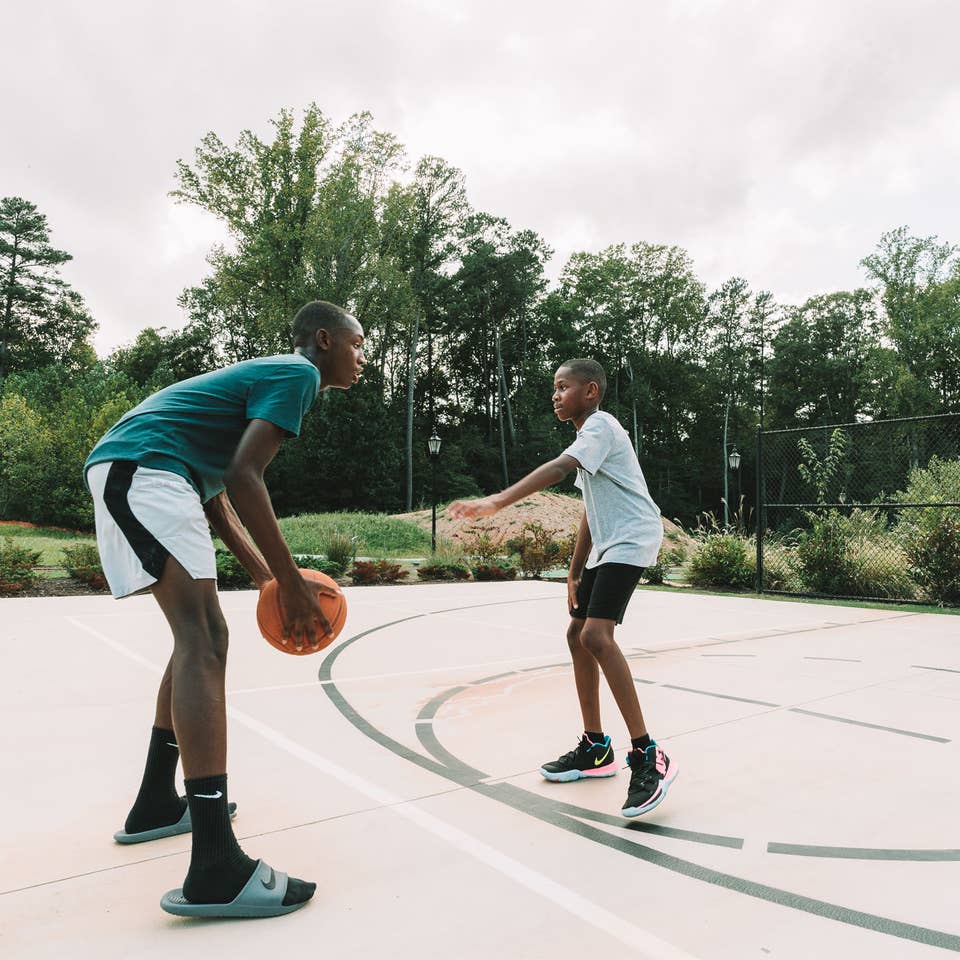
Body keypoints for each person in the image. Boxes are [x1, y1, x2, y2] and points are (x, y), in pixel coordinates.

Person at [84, 300, 365, 917]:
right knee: (204, 640)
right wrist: (291, 583)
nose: (362, 359)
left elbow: (218, 495)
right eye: (357, 344)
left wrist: (269, 579)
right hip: (143, 470)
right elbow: (244, 474)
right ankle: (215, 865)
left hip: (150, 470)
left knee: (198, 639)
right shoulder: (300, 376)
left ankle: (158, 801)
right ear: (324, 340)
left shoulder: (260, 382)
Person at [448, 358, 677, 818]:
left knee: (596, 635)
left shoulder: (601, 427)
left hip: (632, 537)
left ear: (590, 391)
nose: (555, 395)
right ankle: (596, 748)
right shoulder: (587, 439)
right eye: (553, 388)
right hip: (607, 543)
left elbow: (557, 469)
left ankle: (648, 754)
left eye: (562, 387)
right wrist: (574, 570)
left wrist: (497, 500)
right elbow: (590, 509)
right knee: (576, 636)